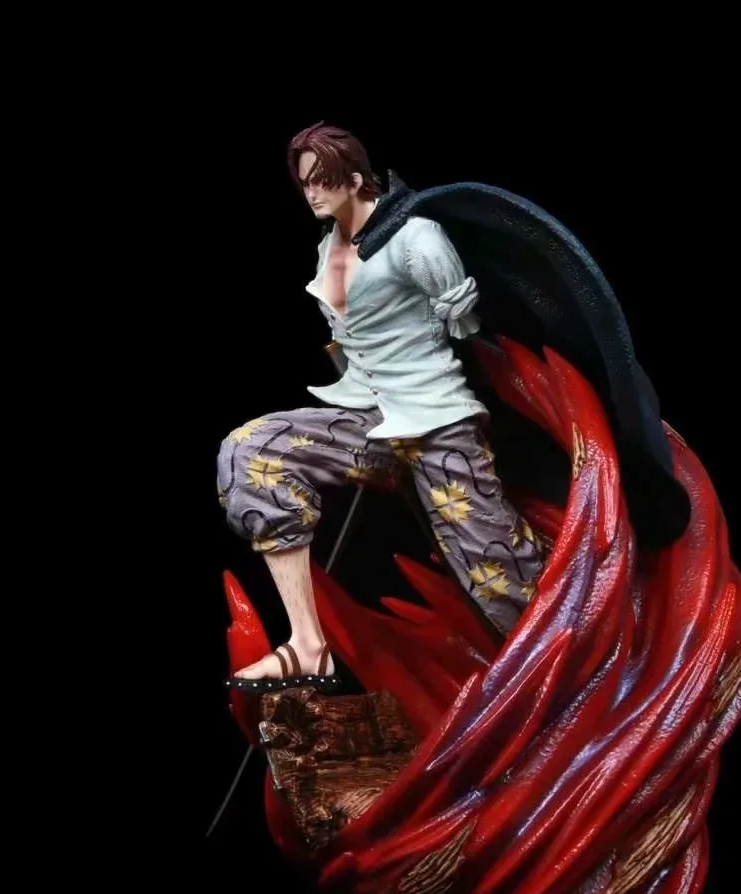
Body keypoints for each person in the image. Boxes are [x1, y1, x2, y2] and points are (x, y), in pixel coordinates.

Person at [217, 123, 545, 692]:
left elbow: (470, 331)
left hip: (438, 423)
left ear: (354, 177)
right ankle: (308, 645)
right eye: (305, 183)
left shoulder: (416, 237)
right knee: (250, 453)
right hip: (368, 422)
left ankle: (578, 674)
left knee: (499, 578)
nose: (312, 194)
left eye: (322, 180)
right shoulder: (327, 248)